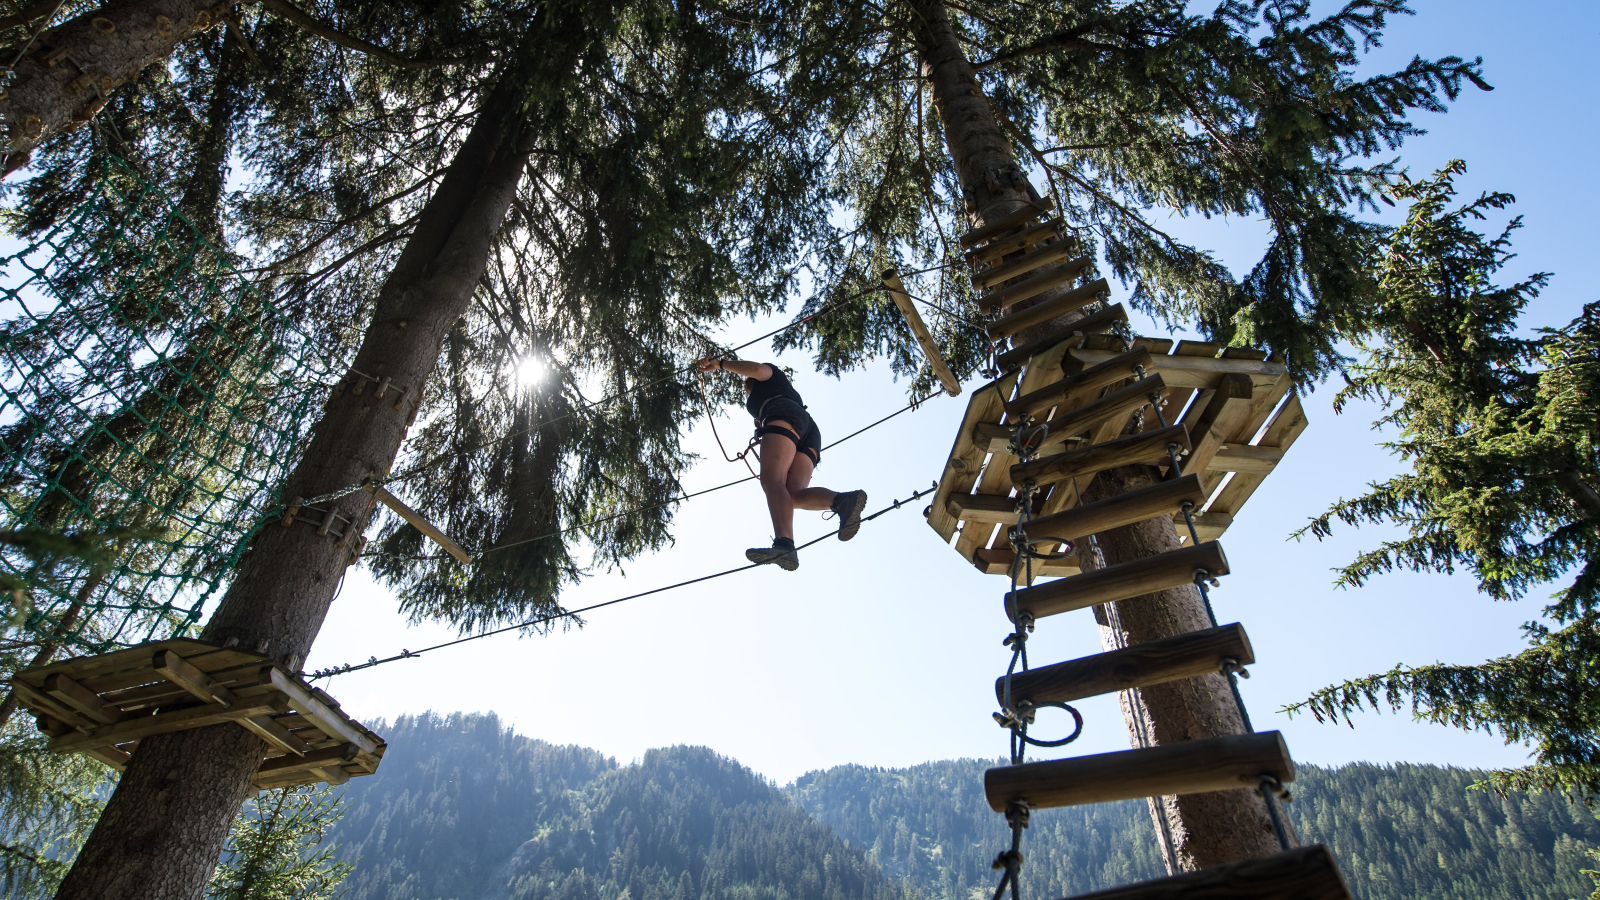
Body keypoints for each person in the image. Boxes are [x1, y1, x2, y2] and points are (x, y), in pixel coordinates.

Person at [694, 357, 867, 570]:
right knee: (791, 494)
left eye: (748, 381)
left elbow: (757, 369)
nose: (745, 385)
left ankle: (785, 545)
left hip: (785, 415)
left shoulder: (771, 375)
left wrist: (719, 364)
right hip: (808, 430)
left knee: (772, 480)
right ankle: (842, 501)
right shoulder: (781, 391)